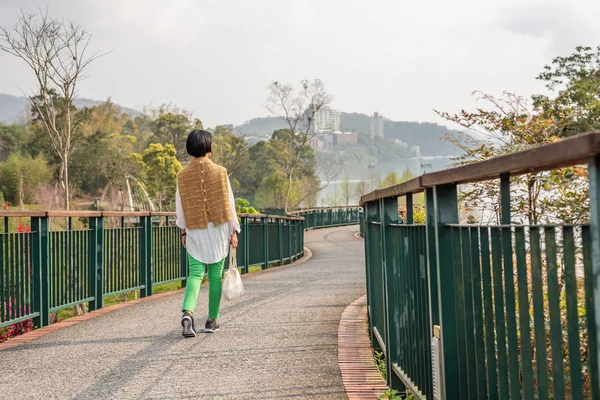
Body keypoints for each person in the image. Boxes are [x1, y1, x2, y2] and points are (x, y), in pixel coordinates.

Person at [175, 129, 240, 337]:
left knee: (195, 273)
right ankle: (212, 320)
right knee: (215, 276)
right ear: (209, 148)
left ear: (189, 149)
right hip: (219, 228)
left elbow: (180, 206)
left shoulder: (182, 176)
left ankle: (187, 313)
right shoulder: (221, 172)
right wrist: (234, 231)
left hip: (195, 228)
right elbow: (229, 203)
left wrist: (183, 231)